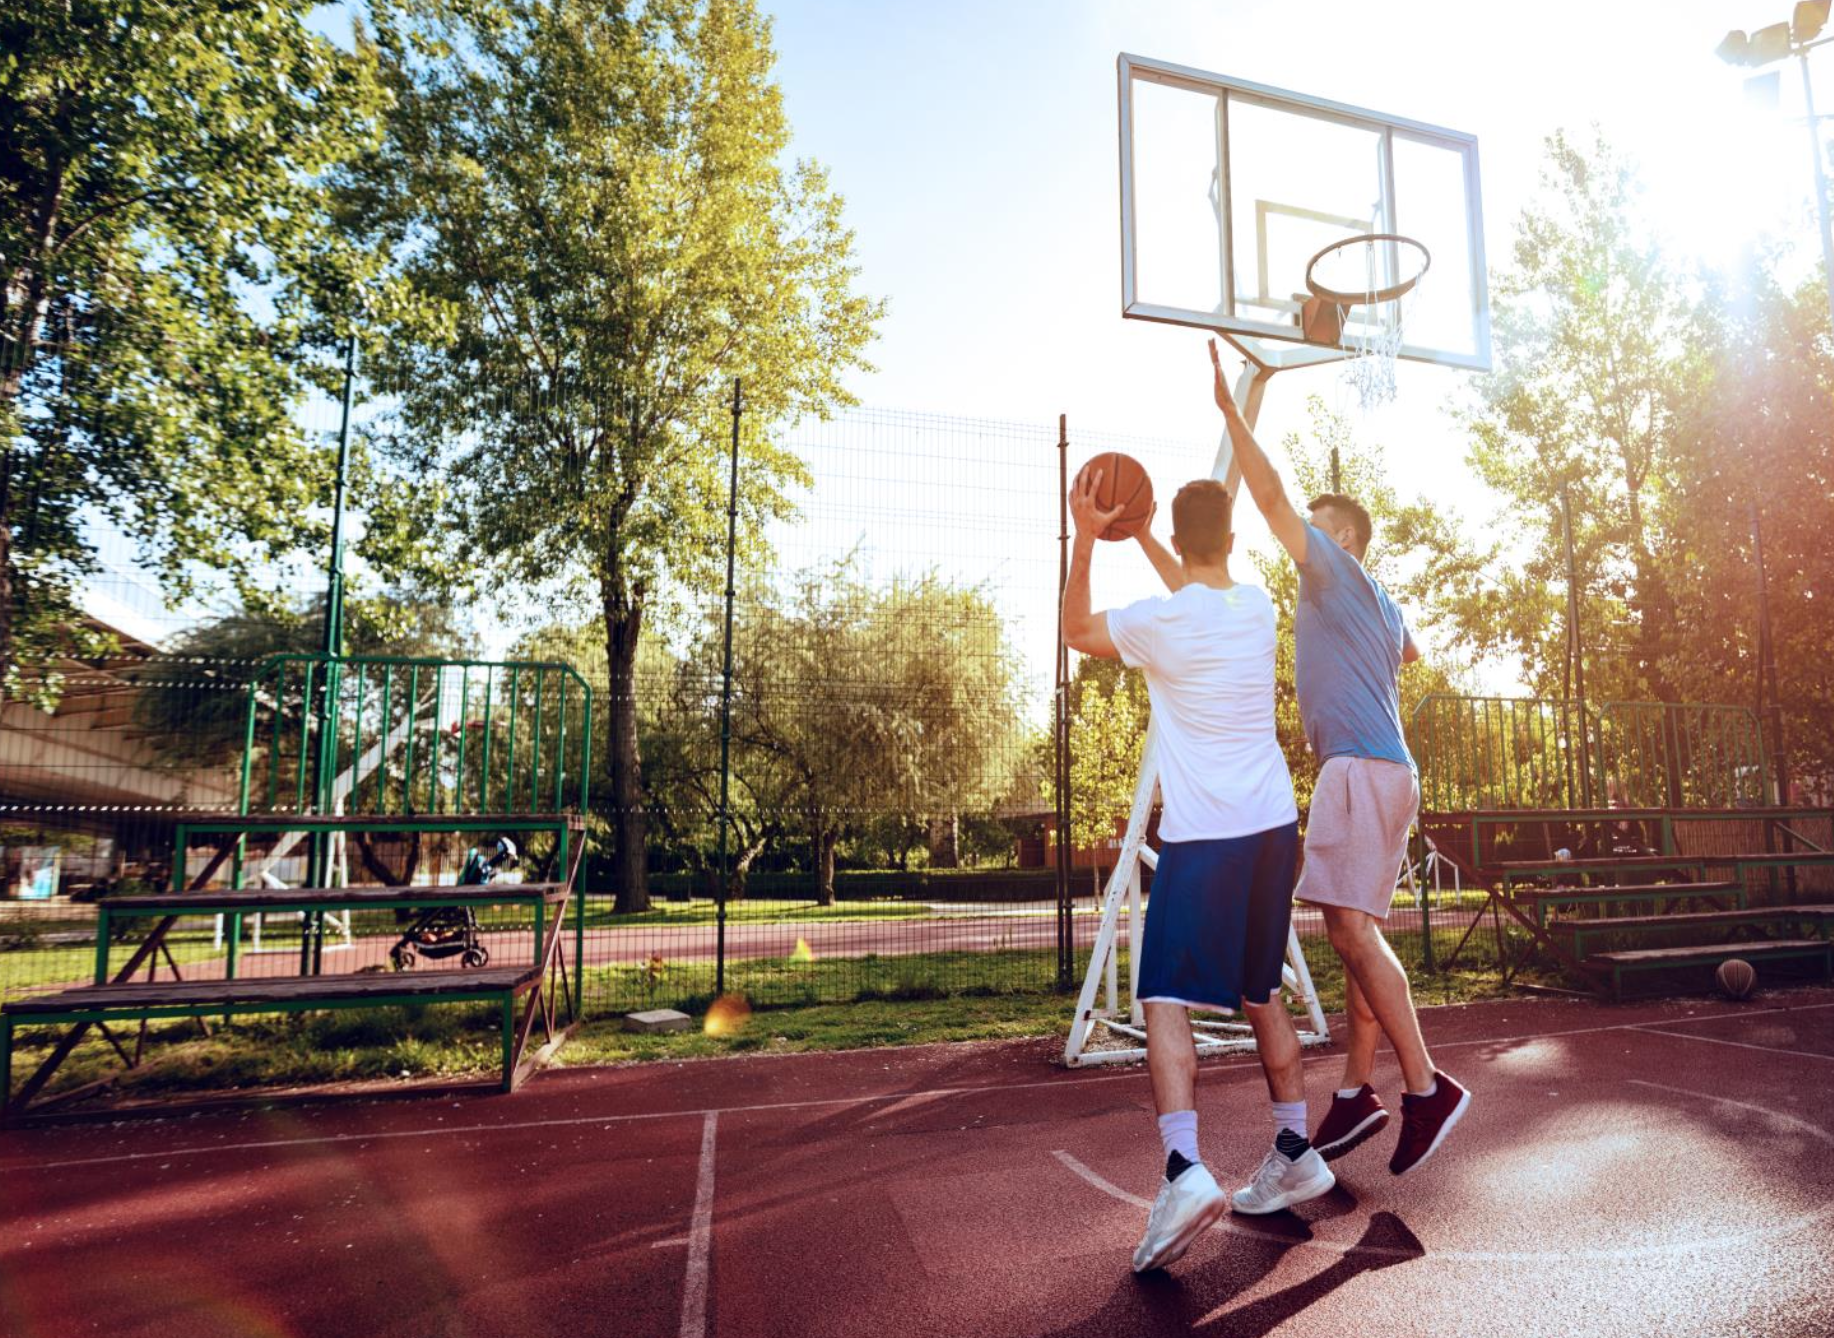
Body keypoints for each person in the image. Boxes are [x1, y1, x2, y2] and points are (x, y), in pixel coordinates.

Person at [1061, 463, 1334, 1276]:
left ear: (1179, 541)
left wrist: (1087, 536)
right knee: (1261, 992)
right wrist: (1142, 529)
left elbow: (1076, 629)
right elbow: (1198, 588)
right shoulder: (1253, 607)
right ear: (1234, 541)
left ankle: (1184, 1172)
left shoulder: (1160, 622)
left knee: (1162, 994)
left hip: (1207, 833)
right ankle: (1296, 1148)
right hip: (1273, 827)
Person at [1209, 338, 1470, 1176]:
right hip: (1386, 769)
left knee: (1351, 931)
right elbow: (1414, 652)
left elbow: (1272, 495)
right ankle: (1357, 1091)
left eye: (1319, 531)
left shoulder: (1333, 572)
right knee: (1358, 933)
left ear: (1344, 540)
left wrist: (1232, 415)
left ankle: (1427, 1089)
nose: (1301, 539)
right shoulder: (1379, 603)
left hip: (1359, 767)